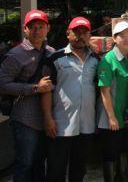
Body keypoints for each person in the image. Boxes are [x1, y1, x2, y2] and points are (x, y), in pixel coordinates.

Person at [41, 17, 99, 182]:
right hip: (60, 125)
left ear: (89, 35)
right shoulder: (55, 58)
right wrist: (48, 118)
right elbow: (46, 91)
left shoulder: (96, 60)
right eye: (76, 32)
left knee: (79, 169)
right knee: (56, 169)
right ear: (68, 34)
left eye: (84, 32)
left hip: (86, 125)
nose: (80, 36)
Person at [0, 10, 54, 182]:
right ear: (25, 29)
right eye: (32, 27)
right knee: (25, 163)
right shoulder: (16, 55)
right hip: (24, 118)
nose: (37, 31)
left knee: (40, 162)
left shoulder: (51, 52)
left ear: (48, 29)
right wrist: (35, 88)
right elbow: (2, 84)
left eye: (41, 27)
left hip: (45, 119)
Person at [97, 21, 128, 182]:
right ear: (114, 38)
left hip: (126, 114)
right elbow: (104, 90)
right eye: (123, 36)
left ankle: (123, 176)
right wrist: (111, 117)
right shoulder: (108, 59)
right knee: (111, 151)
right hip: (111, 115)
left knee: (126, 147)